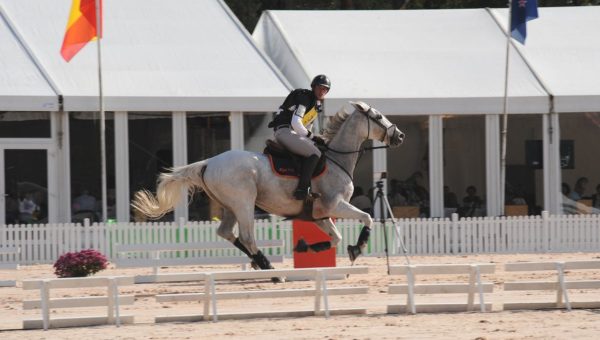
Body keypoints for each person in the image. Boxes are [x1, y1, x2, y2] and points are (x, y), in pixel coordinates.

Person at [268, 74, 331, 200]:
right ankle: (302, 189)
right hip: (285, 131)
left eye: (325, 89)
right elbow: (296, 123)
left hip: (292, 133)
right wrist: (313, 137)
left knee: (317, 149)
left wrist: (315, 138)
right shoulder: (305, 98)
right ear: (313, 87)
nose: (322, 91)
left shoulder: (315, 105)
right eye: (319, 88)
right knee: (315, 153)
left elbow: (307, 128)